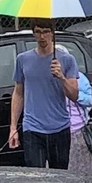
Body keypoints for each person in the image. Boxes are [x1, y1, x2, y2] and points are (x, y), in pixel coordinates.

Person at [9, 19, 80, 169]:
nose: (42, 37)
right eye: (38, 32)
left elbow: (74, 95)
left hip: (59, 127)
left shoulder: (67, 60)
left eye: (46, 32)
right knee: (36, 175)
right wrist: (13, 127)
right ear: (33, 33)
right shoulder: (23, 59)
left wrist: (61, 76)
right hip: (32, 127)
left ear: (52, 33)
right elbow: (18, 93)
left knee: (59, 175)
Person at [65, 59, 92, 175]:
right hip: (56, 130)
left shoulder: (79, 77)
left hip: (77, 130)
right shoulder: (47, 79)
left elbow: (91, 99)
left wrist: (76, 95)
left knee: (81, 172)